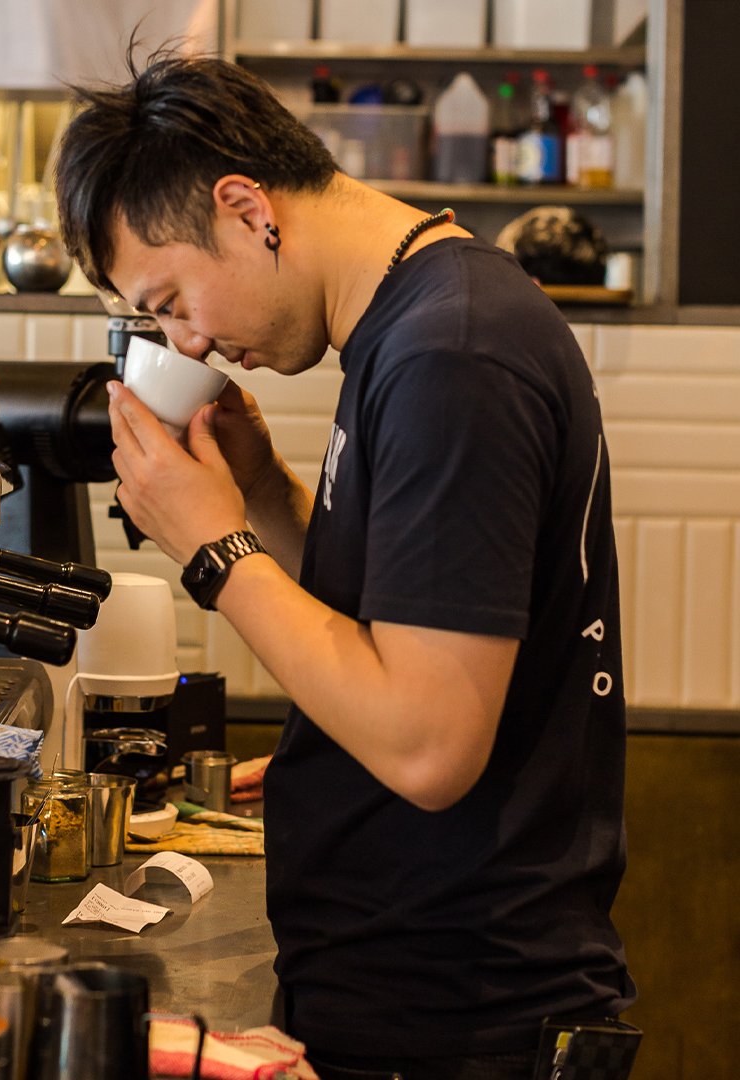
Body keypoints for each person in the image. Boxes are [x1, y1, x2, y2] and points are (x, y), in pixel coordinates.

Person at [54, 48, 636, 1080]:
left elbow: (427, 743)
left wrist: (212, 549)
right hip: (418, 993)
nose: (186, 342)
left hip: (463, 1016)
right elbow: (407, 604)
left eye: (174, 300)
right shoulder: (416, 324)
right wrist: (264, 492)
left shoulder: (451, 354)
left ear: (246, 209)